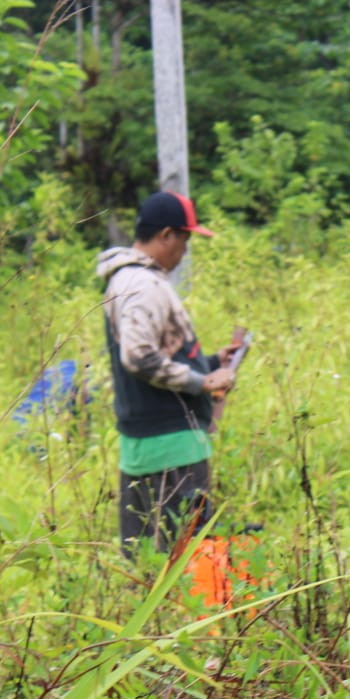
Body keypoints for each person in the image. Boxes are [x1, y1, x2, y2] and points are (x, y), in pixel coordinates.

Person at [99, 191, 243, 557]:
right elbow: (140, 357)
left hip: (150, 443)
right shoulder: (141, 285)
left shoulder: (131, 281)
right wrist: (201, 382)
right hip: (169, 449)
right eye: (185, 239)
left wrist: (210, 363)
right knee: (184, 561)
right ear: (166, 235)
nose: (184, 250)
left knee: (148, 562)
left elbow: (154, 354)